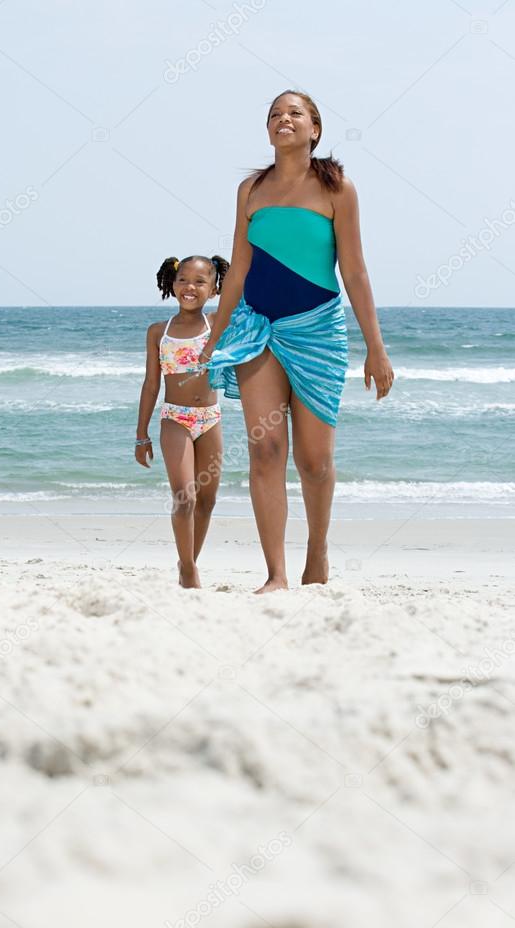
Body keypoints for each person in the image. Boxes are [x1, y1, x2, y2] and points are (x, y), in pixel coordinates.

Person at [198, 89, 394, 593]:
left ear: (315, 130)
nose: (283, 119)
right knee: (265, 452)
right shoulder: (250, 190)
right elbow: (238, 268)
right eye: (274, 115)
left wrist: (376, 346)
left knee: (315, 461)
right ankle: (276, 574)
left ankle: (318, 550)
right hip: (257, 328)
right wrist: (213, 338)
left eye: (294, 114)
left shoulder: (337, 188)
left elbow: (354, 269)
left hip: (318, 331)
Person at [135, 254, 230, 588]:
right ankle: (189, 571)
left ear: (215, 289)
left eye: (201, 281)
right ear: (171, 284)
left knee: (207, 500)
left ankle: (188, 560)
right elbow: (151, 384)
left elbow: (247, 298)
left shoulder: (218, 323)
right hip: (174, 419)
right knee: (184, 497)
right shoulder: (159, 332)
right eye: (184, 280)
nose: (191, 287)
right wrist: (140, 434)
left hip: (211, 418)